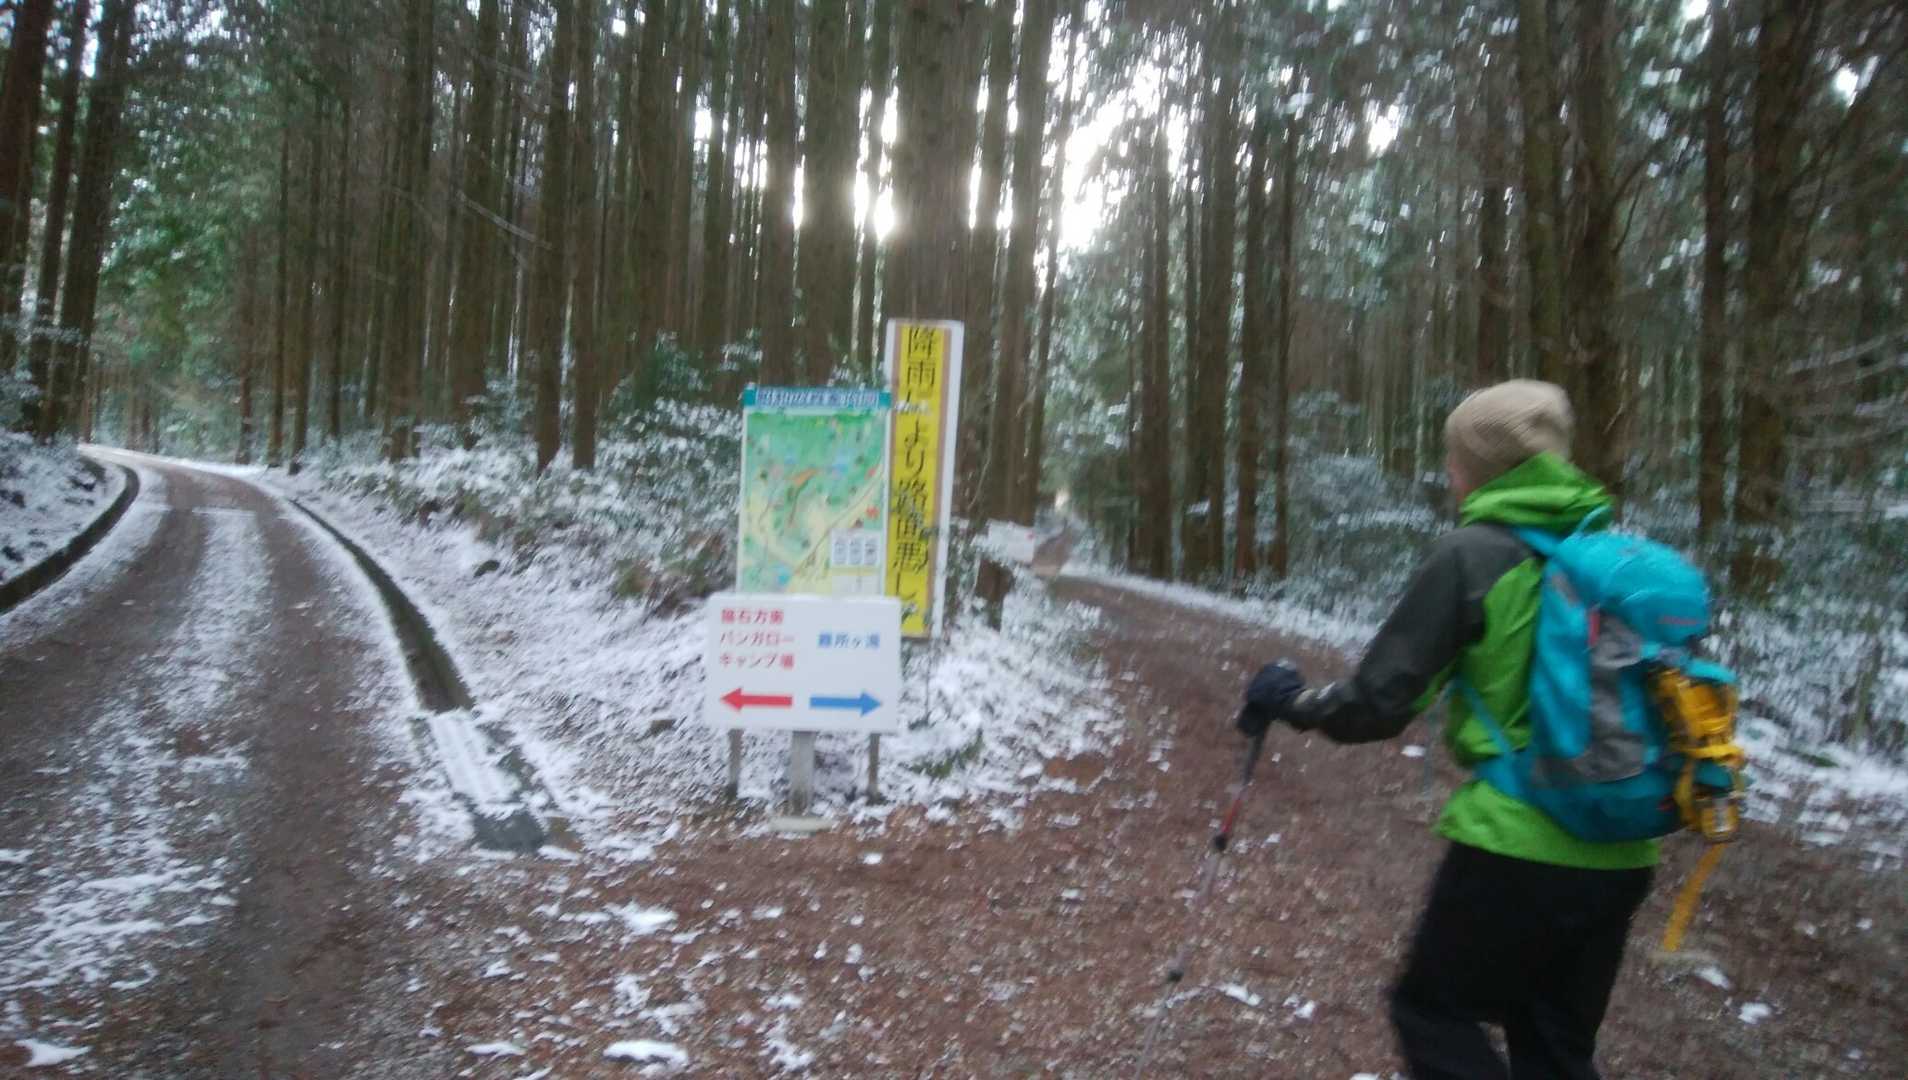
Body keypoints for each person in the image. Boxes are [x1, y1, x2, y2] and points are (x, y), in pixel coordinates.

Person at [1235, 380, 1655, 1080]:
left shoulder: (1472, 556)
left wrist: (1291, 701)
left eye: (1455, 460)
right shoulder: (1609, 554)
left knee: (1432, 1011)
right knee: (1554, 1044)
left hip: (1520, 841)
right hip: (1623, 847)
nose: (1450, 474)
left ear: (1481, 469)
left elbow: (1378, 704)